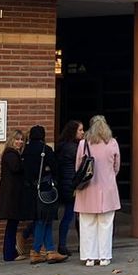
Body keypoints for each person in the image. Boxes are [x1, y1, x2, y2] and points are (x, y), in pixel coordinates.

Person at [74, 114, 122, 266]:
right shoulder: (112, 143)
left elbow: (78, 167)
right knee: (106, 224)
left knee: (87, 224)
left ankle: (89, 257)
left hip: (87, 189)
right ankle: (104, 257)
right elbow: (117, 166)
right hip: (107, 190)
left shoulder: (83, 144)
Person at [21, 124, 66, 264]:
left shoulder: (25, 150)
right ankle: (36, 251)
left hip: (30, 190)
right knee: (44, 220)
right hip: (45, 189)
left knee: (42, 220)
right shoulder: (45, 150)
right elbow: (55, 168)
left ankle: (50, 250)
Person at [0, 128, 27, 260]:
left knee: (12, 225)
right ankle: (9, 254)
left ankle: (10, 252)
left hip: (11, 195)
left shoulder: (11, 154)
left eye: (21, 140)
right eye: (17, 139)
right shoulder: (11, 154)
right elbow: (16, 168)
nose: (20, 142)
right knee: (12, 225)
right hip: (11, 196)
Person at [55, 119, 84, 257]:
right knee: (74, 216)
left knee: (69, 214)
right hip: (72, 184)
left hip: (65, 183)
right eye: (80, 130)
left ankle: (63, 245)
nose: (82, 133)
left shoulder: (62, 146)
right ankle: (78, 244)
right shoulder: (74, 148)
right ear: (73, 131)